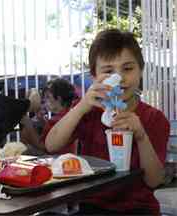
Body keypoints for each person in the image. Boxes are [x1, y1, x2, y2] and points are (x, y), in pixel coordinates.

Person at [45, 29, 170, 215]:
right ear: (94, 76)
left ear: (141, 70)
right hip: (92, 207)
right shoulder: (89, 111)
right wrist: (80, 107)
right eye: (108, 71)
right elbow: (51, 145)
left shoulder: (154, 118)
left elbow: (154, 180)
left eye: (127, 68)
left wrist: (141, 136)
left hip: (138, 209)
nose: (119, 78)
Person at [20, 78, 77, 155]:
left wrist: (29, 125)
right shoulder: (69, 116)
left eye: (48, 97)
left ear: (59, 99)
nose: (44, 101)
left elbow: (45, 147)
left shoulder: (56, 120)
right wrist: (42, 121)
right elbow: (53, 133)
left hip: (55, 159)